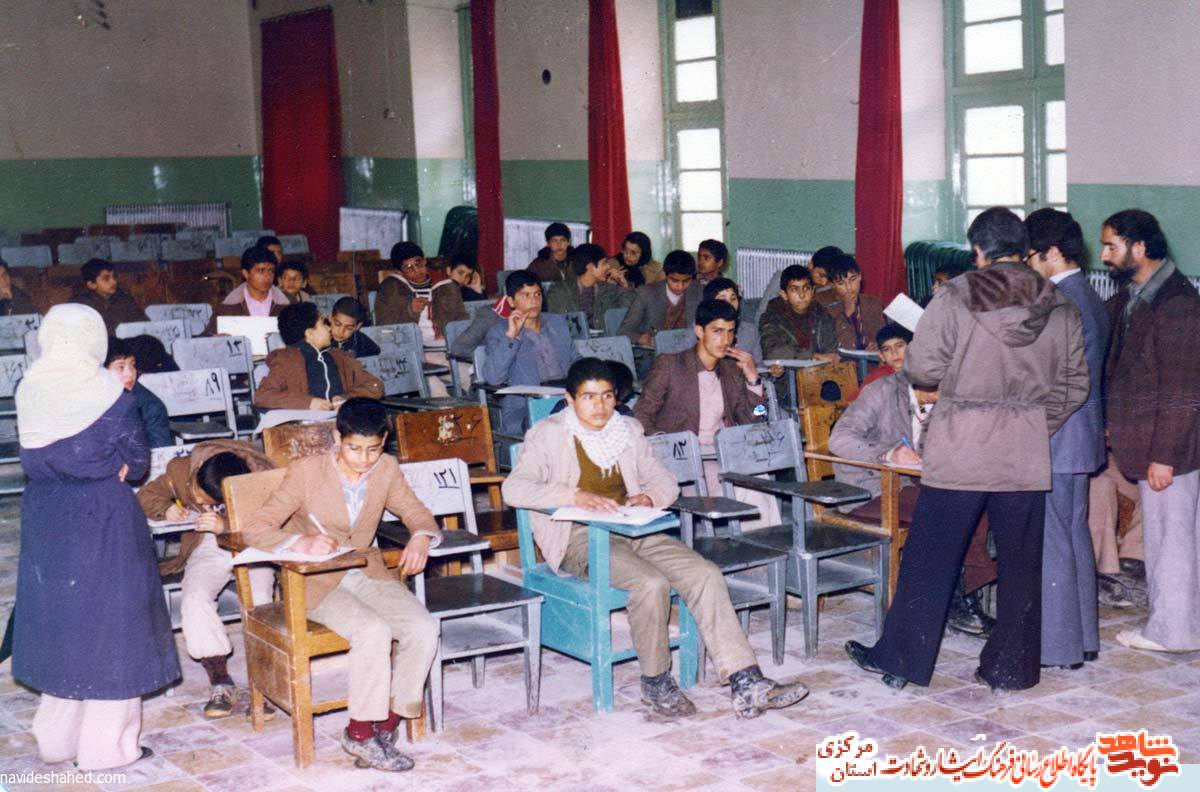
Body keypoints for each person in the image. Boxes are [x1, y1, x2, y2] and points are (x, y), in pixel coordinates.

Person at [844, 206, 1088, 693]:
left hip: (960, 447)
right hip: (1023, 453)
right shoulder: (1059, 304)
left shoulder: (956, 295)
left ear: (978, 250)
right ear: (1024, 249)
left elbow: (921, 370)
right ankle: (1010, 670)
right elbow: (1074, 386)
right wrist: (1030, 425)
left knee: (930, 558)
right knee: (1021, 565)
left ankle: (902, 662)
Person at [504, 357, 808, 719]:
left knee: (705, 573)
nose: (600, 406)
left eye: (607, 396)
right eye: (588, 397)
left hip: (632, 526)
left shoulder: (627, 430)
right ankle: (656, 681)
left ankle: (746, 681)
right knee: (649, 584)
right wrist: (573, 495)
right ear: (569, 399)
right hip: (580, 536)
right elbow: (514, 489)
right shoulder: (549, 434)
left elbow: (664, 480)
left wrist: (649, 497)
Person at [14, 303, 180, 769]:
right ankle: (106, 749)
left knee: (63, 623)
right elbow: (139, 463)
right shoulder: (110, 394)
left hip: (46, 514)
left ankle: (56, 739)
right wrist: (113, 465)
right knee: (114, 627)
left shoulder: (29, 387)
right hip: (102, 515)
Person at [241, 398, 441, 772]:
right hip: (316, 581)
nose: (364, 459)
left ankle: (387, 724)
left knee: (423, 627)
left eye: (373, 449)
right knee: (373, 630)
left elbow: (415, 511)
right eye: (354, 449)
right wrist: (300, 542)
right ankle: (360, 733)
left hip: (366, 570)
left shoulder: (386, 469)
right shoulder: (306, 472)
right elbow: (255, 528)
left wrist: (421, 536)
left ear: (384, 442)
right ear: (337, 438)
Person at [829, 322, 996, 637]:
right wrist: (888, 453)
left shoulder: (939, 391)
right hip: (872, 487)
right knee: (946, 509)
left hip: (914, 482)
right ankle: (957, 602)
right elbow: (839, 439)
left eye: (901, 347)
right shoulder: (881, 391)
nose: (896, 355)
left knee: (975, 500)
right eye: (888, 350)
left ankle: (960, 593)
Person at [1100, 209, 1200, 653]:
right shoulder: (1137, 294)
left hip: (1171, 451)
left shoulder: (1176, 303)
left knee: (1171, 539)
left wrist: (1165, 456)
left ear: (1139, 248)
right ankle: (1180, 626)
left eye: (1111, 246)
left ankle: (1172, 633)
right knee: (1170, 537)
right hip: (1155, 445)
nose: (1104, 255)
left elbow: (1182, 390)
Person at [1023, 208, 1110, 669]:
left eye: (1030, 256)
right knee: (1073, 533)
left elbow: (1054, 381)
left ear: (1052, 253)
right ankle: (1084, 638)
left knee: (1054, 539)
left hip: (1059, 435)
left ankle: (1058, 648)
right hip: (1082, 434)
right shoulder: (1087, 294)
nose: (1028, 265)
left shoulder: (1061, 302)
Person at [137, 441, 276, 718]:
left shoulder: (260, 478)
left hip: (254, 543)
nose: (200, 503)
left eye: (208, 501)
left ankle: (266, 685)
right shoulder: (182, 469)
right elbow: (145, 496)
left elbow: (274, 526)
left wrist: (227, 526)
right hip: (209, 542)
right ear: (198, 468)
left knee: (261, 601)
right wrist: (166, 508)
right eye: (198, 495)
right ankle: (220, 680)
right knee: (194, 599)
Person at [634, 299, 780, 530]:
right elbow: (641, 414)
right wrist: (667, 443)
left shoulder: (731, 370)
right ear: (699, 331)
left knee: (761, 477)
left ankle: (763, 547)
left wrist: (753, 381)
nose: (726, 340)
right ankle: (754, 547)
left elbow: (757, 417)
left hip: (721, 454)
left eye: (730, 332)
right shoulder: (670, 365)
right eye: (717, 331)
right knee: (746, 488)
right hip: (683, 461)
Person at [481, 270, 578, 435]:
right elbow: (493, 378)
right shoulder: (499, 333)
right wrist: (512, 336)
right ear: (511, 301)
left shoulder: (557, 322)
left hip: (566, 398)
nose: (534, 301)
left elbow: (575, 359)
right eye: (525, 295)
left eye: (537, 294)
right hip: (528, 406)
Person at [375, 242, 467, 397]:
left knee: (468, 374)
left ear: (425, 261)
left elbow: (460, 319)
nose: (416, 270)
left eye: (418, 263)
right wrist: (410, 311)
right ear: (399, 271)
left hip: (444, 350)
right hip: (412, 354)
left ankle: (474, 410)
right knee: (434, 386)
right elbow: (383, 329)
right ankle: (444, 410)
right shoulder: (391, 288)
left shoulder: (444, 284)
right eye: (408, 267)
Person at [255, 302, 384, 410]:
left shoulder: (340, 357)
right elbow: (263, 396)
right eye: (323, 323)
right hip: (306, 425)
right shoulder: (287, 360)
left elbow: (375, 385)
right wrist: (308, 403)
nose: (329, 328)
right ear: (310, 333)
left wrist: (347, 398)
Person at [618, 250, 703, 351]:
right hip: (655, 354)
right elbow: (624, 331)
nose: (680, 286)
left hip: (690, 352)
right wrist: (640, 338)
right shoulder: (646, 293)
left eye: (686, 281)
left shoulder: (699, 292)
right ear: (665, 275)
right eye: (674, 280)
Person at [757, 264, 838, 364]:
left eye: (806, 288)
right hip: (787, 372)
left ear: (813, 291)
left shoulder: (823, 316)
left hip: (820, 371)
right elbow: (773, 352)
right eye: (794, 289)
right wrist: (812, 357)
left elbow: (832, 352)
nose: (802, 295)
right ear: (784, 294)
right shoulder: (772, 317)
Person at [545, 243, 633, 331]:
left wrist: (624, 286)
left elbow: (627, 313)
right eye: (604, 263)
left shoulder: (608, 290)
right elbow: (555, 326)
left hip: (604, 338)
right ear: (590, 267)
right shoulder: (559, 292)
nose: (608, 266)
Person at [205, 246, 290, 334]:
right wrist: (217, 338)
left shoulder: (288, 303)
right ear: (246, 274)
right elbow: (206, 337)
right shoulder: (227, 305)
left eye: (271, 271)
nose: (267, 276)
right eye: (261, 271)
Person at [105, 336, 172, 448]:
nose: (130, 373)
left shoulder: (150, 406)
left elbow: (160, 452)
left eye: (132, 365)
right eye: (121, 367)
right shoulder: (86, 397)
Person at [70, 258, 148, 334]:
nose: (113, 282)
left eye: (114, 277)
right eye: (106, 279)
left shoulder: (125, 299)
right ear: (92, 285)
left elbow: (143, 323)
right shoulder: (80, 305)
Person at [825, 254, 885, 352]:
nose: (849, 287)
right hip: (845, 359)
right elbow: (835, 345)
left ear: (860, 276)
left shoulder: (873, 303)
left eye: (852, 280)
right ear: (832, 285)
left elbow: (883, 335)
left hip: (872, 357)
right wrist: (847, 313)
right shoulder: (827, 310)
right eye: (841, 283)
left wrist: (878, 345)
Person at [704, 277, 761, 363]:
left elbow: (759, 365)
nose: (729, 304)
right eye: (723, 300)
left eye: (733, 299)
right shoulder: (702, 327)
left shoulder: (750, 330)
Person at [857, 324, 912, 392]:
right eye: (887, 349)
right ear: (881, 356)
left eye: (899, 346)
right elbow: (859, 398)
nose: (894, 352)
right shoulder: (877, 377)